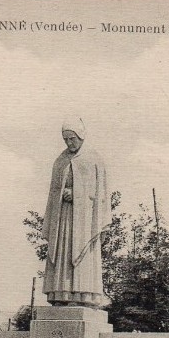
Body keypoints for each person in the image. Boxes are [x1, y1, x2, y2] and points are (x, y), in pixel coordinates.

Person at [42, 116, 111, 308]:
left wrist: (77, 193)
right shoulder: (60, 161)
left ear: (81, 136)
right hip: (63, 217)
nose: (69, 142)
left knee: (84, 254)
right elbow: (52, 192)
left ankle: (84, 296)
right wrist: (61, 194)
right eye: (66, 139)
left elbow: (101, 193)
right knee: (62, 251)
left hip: (84, 220)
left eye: (72, 138)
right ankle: (60, 293)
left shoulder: (93, 159)